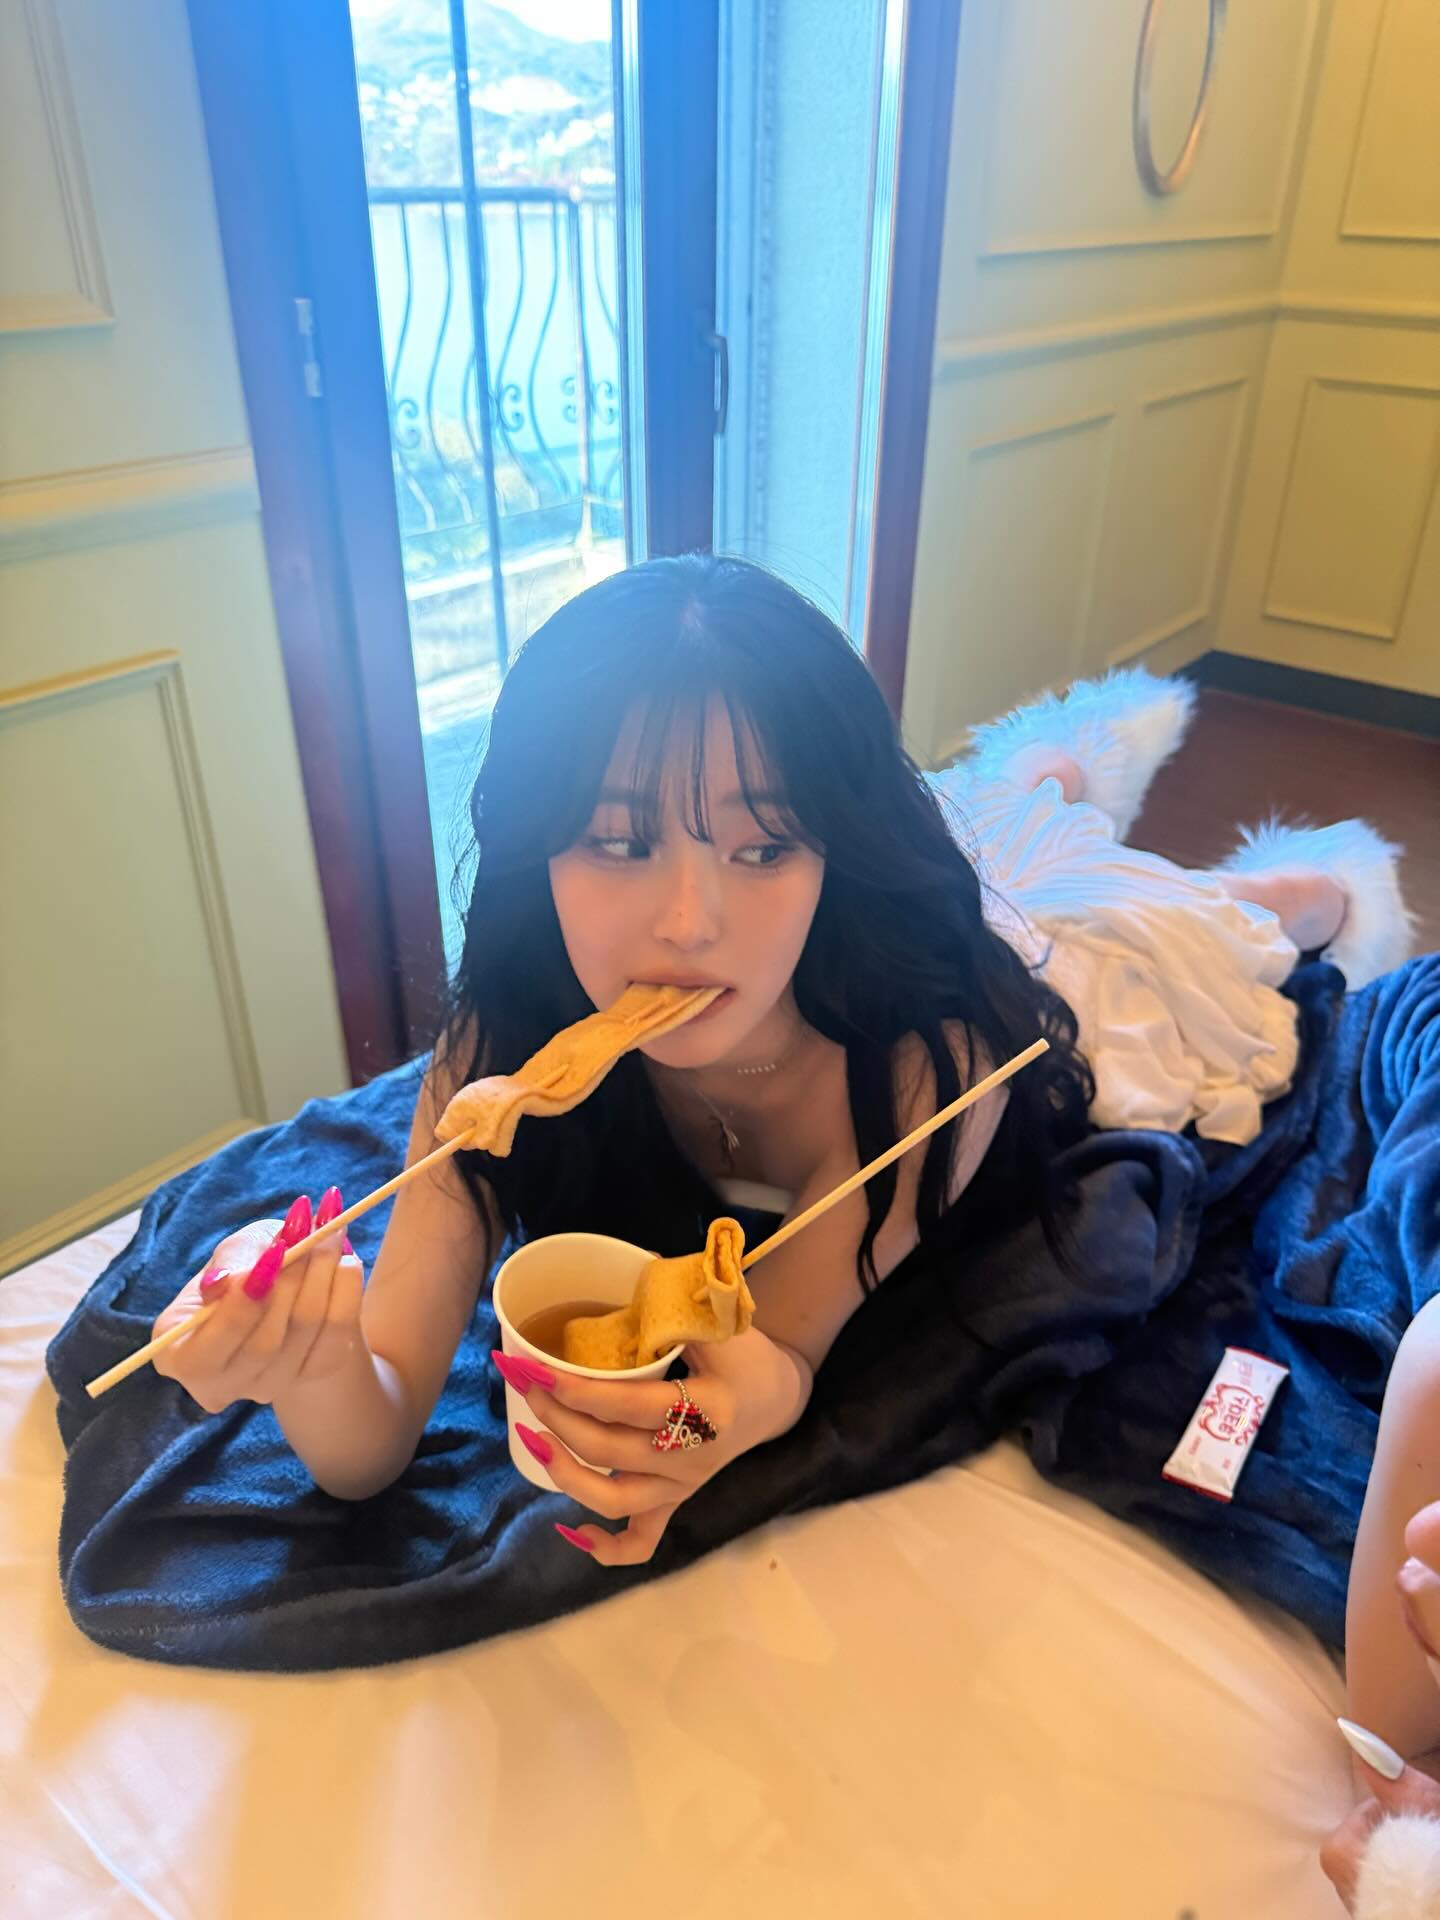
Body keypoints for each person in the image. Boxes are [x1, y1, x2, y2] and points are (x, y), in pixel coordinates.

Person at [150, 554, 1427, 1844]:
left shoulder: (930, 1072)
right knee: (1019, 830)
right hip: (916, 918)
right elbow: (370, 1438)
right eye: (619, 841)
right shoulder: (496, 1066)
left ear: (830, 856)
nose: (690, 920)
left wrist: (712, 1418)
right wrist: (310, 1360)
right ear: (542, 848)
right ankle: (1049, 775)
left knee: (1192, 928)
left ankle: (1299, 879)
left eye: (765, 845)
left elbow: (779, 1353)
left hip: (1063, 988)